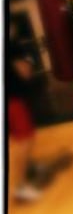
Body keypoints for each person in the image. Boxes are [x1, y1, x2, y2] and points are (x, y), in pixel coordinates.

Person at [8, 19, 42, 202]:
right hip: (13, 99)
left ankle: (29, 168)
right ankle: (20, 187)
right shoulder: (11, 47)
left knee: (18, 140)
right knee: (25, 140)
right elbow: (25, 72)